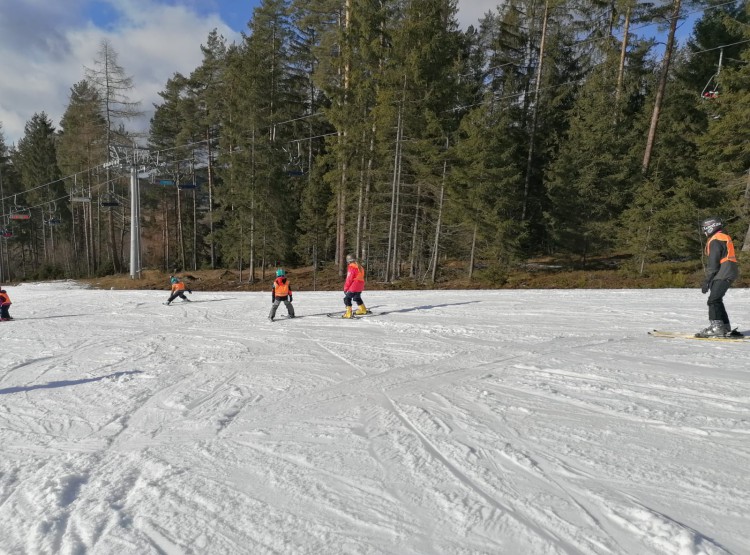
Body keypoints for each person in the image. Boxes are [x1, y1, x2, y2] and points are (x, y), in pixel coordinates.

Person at [697, 217, 740, 337]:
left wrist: (708, 279)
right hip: (727, 270)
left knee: (713, 300)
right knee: (717, 299)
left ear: (711, 227)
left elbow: (713, 261)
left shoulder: (716, 240)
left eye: (705, 228)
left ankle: (716, 327)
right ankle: (725, 327)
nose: (704, 231)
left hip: (724, 271)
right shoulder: (722, 236)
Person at [342, 254, 368, 319]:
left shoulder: (351, 267)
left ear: (348, 261)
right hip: (360, 284)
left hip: (355, 284)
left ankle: (348, 313)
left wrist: (346, 288)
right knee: (356, 297)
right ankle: (363, 309)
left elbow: (349, 278)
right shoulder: (360, 267)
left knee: (347, 298)